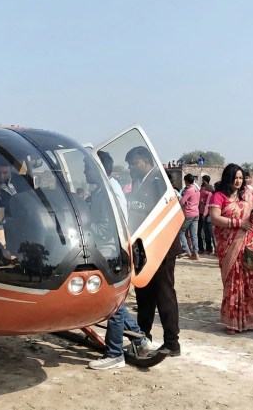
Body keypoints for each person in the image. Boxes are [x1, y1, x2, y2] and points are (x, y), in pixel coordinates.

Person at [83, 157, 150, 369]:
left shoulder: (107, 192)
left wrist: (83, 230)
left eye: (87, 168)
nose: (84, 173)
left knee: (111, 303)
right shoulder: (107, 188)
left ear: (97, 169)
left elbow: (105, 227)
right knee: (116, 302)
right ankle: (139, 339)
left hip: (109, 252)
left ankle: (115, 353)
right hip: (112, 250)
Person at [125, 146, 181, 357]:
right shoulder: (139, 183)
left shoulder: (159, 182)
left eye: (134, 163)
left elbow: (167, 214)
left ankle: (172, 343)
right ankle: (143, 337)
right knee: (144, 294)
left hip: (161, 248)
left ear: (146, 161)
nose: (131, 168)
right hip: (145, 247)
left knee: (164, 294)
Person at [210, 163, 253, 334]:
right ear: (227, 178)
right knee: (233, 284)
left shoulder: (248, 196)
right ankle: (232, 322)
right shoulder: (218, 196)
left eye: (240, 178)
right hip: (229, 247)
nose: (237, 181)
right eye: (234, 178)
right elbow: (215, 218)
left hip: (248, 246)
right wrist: (238, 223)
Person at [178, 174, 200, 260]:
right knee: (194, 234)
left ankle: (187, 250)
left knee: (181, 232)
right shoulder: (197, 189)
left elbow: (182, 202)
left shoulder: (189, 190)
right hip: (196, 212)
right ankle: (195, 253)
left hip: (189, 213)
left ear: (186, 181)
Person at [198, 175, 214, 255]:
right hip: (200, 211)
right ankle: (201, 248)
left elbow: (208, 203)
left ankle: (209, 248)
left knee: (207, 232)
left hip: (206, 213)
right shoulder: (202, 188)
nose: (202, 181)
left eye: (203, 180)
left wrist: (205, 213)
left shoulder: (209, 189)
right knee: (200, 232)